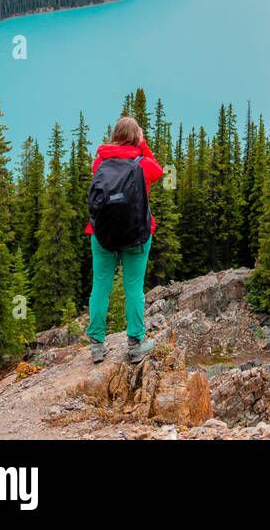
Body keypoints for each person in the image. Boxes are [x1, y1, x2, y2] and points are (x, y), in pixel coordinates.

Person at [85, 116, 164, 363]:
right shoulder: (144, 164)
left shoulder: (100, 161)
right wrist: (143, 145)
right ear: (136, 137)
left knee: (101, 287)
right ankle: (135, 343)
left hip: (103, 234)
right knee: (133, 288)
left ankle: (97, 346)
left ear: (115, 135)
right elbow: (159, 171)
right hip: (136, 234)